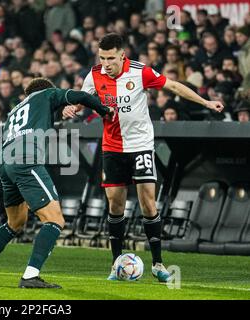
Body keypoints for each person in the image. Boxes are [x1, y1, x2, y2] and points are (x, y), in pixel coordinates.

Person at [63, 33, 224, 282]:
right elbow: (83, 100)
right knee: (115, 205)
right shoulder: (94, 75)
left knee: (148, 202)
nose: (106, 63)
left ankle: (158, 264)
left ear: (122, 55)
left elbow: (172, 85)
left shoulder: (140, 71)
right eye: (102, 57)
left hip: (140, 145)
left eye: (111, 58)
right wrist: (72, 107)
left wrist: (205, 102)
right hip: (112, 148)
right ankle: (116, 264)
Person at [0, 77, 113, 289]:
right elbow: (80, 96)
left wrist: (61, 112)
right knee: (55, 220)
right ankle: (31, 276)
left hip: (5, 165)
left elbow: (43, 117)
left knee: (14, 223)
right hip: (26, 161)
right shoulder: (47, 94)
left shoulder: (15, 110)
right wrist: (104, 110)